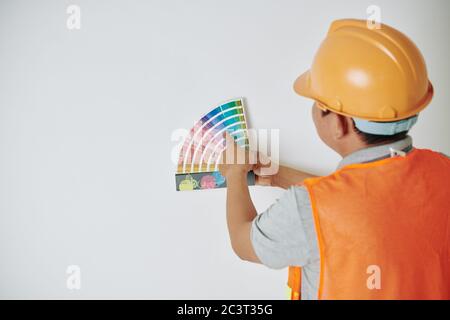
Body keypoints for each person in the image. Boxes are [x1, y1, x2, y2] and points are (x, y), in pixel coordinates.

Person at [218, 19, 450, 300]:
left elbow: (244, 243)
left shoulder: (308, 207)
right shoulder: (443, 168)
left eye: (317, 103)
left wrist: (234, 174)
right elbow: (367, 204)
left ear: (339, 123)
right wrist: (278, 175)